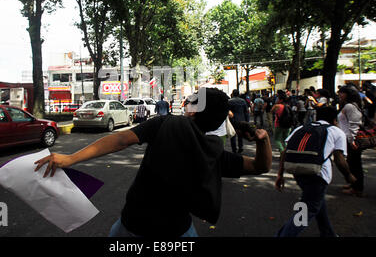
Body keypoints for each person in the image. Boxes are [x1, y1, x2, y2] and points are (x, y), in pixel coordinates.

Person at [34, 88, 272, 237]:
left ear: (193, 111)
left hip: (134, 226)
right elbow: (261, 166)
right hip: (178, 230)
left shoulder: (166, 124)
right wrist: (263, 141)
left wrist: (71, 158)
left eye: (191, 102)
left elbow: (120, 139)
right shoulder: (215, 152)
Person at [275, 106, 356, 237]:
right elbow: (340, 160)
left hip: (298, 172)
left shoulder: (301, 128)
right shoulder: (336, 131)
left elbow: (284, 152)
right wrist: (349, 176)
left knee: (316, 201)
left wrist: (280, 174)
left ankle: (327, 233)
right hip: (318, 175)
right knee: (306, 211)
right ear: (335, 120)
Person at [337, 85, 364, 197]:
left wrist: (352, 140)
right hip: (347, 138)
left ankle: (357, 188)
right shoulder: (348, 105)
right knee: (351, 163)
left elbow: (354, 124)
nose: (339, 95)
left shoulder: (350, 106)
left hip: (351, 140)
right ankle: (353, 184)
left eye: (341, 93)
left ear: (347, 94)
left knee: (355, 164)